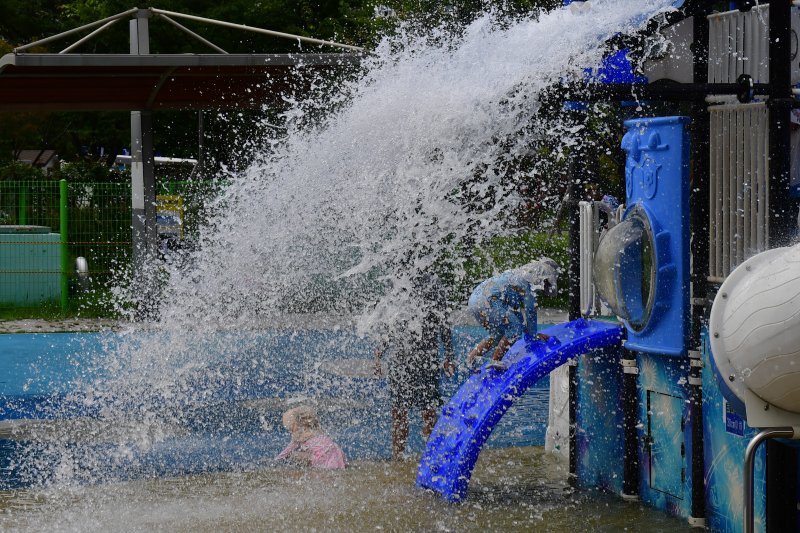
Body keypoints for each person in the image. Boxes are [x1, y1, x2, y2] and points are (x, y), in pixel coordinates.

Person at [374, 273, 455, 460]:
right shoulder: (401, 284)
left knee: (417, 412)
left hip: (418, 359)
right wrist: (379, 353)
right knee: (409, 411)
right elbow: (391, 325)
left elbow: (443, 323)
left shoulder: (426, 284)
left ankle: (413, 456)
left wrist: (449, 355)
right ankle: (413, 457)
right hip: (414, 359)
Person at [466, 258, 559, 370]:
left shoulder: (515, 278)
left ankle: (471, 359)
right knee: (514, 330)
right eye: (545, 282)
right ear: (541, 276)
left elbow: (518, 317)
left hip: (475, 301)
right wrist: (533, 336)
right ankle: (495, 360)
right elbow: (530, 312)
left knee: (497, 334)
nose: (544, 286)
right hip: (488, 301)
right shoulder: (528, 285)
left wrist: (531, 333)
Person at [275, 405, 346, 470]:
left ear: (294, 425)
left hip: (321, 457)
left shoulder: (299, 435)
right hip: (335, 452)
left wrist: (277, 459)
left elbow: (287, 451)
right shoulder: (314, 430)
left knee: (294, 454)